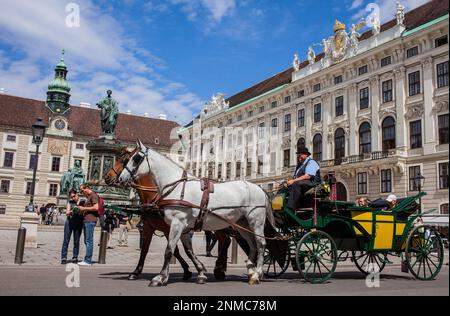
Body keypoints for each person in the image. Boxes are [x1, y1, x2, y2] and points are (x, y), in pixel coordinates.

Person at [77, 184, 99, 266]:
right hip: (87, 220)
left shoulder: (93, 195)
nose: (82, 192)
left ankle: (88, 260)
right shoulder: (89, 196)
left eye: (82, 190)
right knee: (87, 241)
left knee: (89, 241)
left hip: (90, 220)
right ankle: (87, 259)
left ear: (87, 188)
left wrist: (84, 208)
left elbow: (96, 207)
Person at [61, 190, 84, 264]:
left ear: (77, 195)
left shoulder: (83, 202)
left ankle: (75, 257)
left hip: (78, 223)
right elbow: (67, 213)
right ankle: (64, 257)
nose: (73, 198)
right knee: (66, 240)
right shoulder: (70, 202)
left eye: (74, 196)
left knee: (76, 241)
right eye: (71, 197)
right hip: (69, 222)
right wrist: (71, 211)